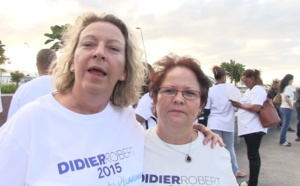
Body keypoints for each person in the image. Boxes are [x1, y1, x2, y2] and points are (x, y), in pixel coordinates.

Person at [0, 12, 220, 185]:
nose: (99, 53)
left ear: (124, 71)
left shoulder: (127, 121)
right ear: (72, 61)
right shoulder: (29, 123)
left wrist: (194, 132)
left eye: (113, 48)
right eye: (88, 44)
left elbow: (161, 142)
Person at [142, 54, 238, 185]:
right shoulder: (134, 147)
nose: (179, 99)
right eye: (169, 91)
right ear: (154, 100)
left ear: (201, 106)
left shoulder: (217, 153)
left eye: (189, 93)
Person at [205, 66, 246, 178]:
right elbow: (237, 107)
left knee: (213, 147)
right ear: (225, 76)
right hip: (228, 123)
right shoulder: (233, 89)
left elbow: (207, 110)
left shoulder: (210, 91)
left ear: (215, 77)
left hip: (214, 123)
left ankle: (213, 171)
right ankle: (235, 171)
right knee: (230, 148)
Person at [230, 69, 267, 186]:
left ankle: (253, 183)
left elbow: (256, 108)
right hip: (250, 128)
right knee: (253, 155)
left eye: (246, 81)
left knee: (253, 156)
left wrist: (240, 105)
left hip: (254, 128)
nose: (244, 83)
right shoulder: (252, 90)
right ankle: (252, 181)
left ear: (252, 78)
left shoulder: (258, 90)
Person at [7, 49, 57, 119]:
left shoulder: (22, 90)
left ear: (37, 65)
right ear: (56, 65)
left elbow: (10, 122)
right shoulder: (66, 88)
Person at [279, 74, 294, 146]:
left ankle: (283, 139)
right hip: (286, 108)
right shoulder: (288, 88)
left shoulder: (284, 87)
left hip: (283, 107)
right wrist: (291, 106)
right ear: (290, 80)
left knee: (284, 125)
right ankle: (282, 141)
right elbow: (286, 98)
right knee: (286, 125)